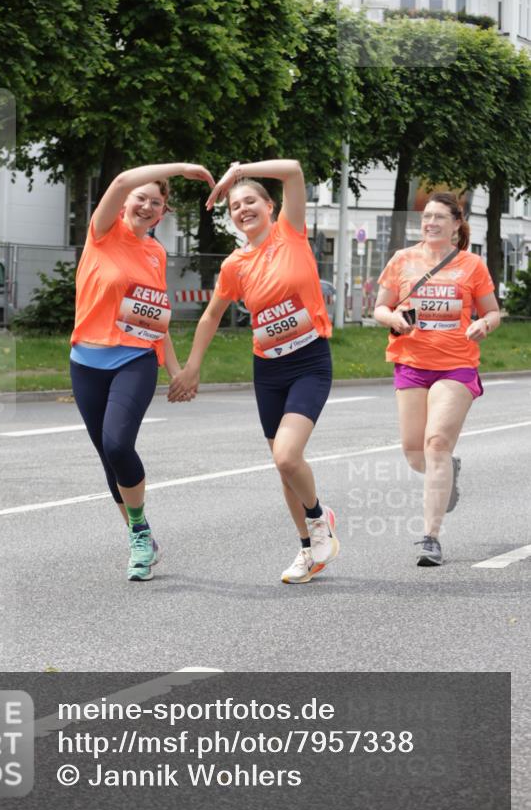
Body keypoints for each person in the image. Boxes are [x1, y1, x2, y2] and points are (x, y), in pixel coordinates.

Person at [169, 159, 338, 584]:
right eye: (234, 206)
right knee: (284, 467)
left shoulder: (291, 232)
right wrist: (191, 368)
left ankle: (319, 523)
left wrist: (236, 172)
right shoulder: (234, 266)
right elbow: (210, 317)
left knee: (287, 454)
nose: (242, 209)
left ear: (269, 205)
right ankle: (308, 549)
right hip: (268, 370)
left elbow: (296, 170)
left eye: (250, 201)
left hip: (309, 361)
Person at [70, 162, 215, 581]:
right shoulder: (102, 232)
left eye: (157, 202)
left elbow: (153, 319)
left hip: (134, 359)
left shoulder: (155, 252)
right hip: (86, 361)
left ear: (163, 213)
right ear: (126, 202)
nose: (148, 206)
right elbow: (117, 180)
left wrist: (178, 371)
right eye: (142, 198)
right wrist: (183, 168)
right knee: (107, 458)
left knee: (118, 445)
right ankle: (140, 534)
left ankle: (137, 535)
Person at [373, 192, 500, 567]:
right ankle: (447, 473)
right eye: (426, 217)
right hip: (412, 361)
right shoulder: (402, 260)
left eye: (439, 218)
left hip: (456, 364)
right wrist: (392, 319)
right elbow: (380, 306)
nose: (430, 223)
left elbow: (493, 312)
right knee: (415, 452)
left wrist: (482, 323)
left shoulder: (471, 265)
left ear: (455, 224)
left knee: (436, 442)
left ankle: (431, 537)